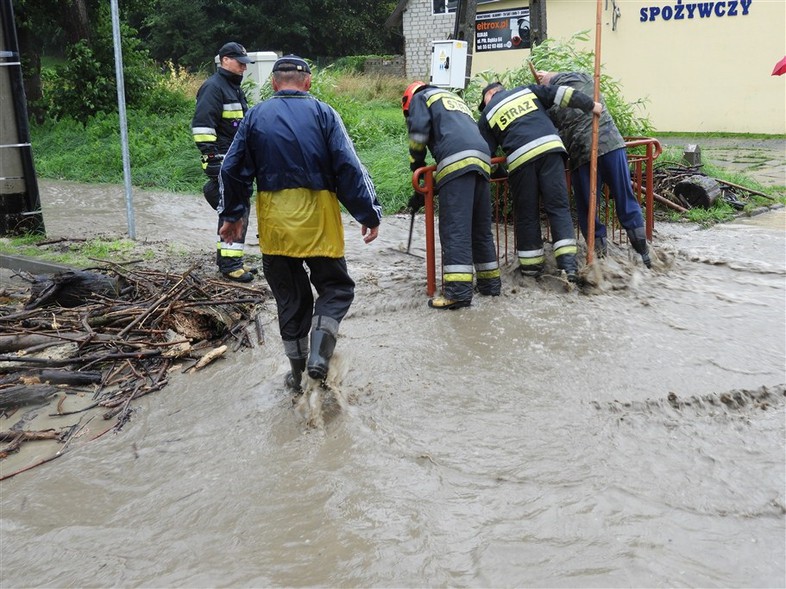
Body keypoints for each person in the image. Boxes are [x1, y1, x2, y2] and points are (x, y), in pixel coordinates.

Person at [218, 55, 382, 391]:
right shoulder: (324, 114)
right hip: (319, 224)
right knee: (335, 289)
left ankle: (297, 376)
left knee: (291, 301)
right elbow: (349, 167)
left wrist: (232, 215)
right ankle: (320, 357)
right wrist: (368, 213)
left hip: (276, 227)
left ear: (274, 83)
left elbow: (231, 170)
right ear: (307, 82)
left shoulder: (255, 116)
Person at [477, 81, 602, 282]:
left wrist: (502, 174)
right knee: (558, 208)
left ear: (490, 93)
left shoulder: (487, 115)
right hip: (551, 151)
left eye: (484, 101)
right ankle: (569, 268)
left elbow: (485, 154)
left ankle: (531, 271)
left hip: (520, 161)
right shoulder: (526, 90)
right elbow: (561, 93)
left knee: (526, 215)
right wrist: (591, 105)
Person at [402, 81, 501, 309]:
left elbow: (418, 135)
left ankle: (458, 292)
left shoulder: (421, 98)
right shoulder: (453, 100)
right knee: (480, 229)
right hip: (482, 160)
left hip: (456, 159)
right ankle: (490, 286)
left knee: (455, 229)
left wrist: (417, 168)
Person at [537, 70, 651, 267]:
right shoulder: (583, 78)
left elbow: (552, 130)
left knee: (588, 208)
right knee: (625, 197)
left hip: (583, 154)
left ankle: (600, 260)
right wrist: (549, 75)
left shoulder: (549, 102)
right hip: (612, 144)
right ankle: (645, 255)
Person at [191, 41, 255, 283]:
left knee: (235, 206)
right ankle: (230, 265)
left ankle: (229, 261)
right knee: (235, 208)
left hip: (234, 162)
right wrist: (213, 159)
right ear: (225, 60)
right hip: (223, 162)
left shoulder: (232, 87)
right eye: (240, 63)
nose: (244, 68)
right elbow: (202, 128)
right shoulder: (214, 88)